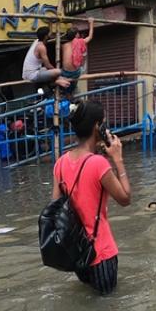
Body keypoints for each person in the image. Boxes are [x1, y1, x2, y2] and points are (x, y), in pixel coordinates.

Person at [50, 101, 132, 294]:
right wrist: (118, 160)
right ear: (97, 127)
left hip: (78, 255)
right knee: (108, 310)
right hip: (101, 253)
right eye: (103, 123)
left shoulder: (60, 163)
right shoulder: (98, 164)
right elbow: (125, 198)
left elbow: (55, 206)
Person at [61, 17, 95, 92]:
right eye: (78, 33)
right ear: (76, 35)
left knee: (66, 83)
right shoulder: (80, 42)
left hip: (65, 72)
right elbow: (90, 37)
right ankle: (71, 90)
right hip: (75, 72)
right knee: (81, 70)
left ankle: (67, 91)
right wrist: (91, 23)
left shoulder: (64, 45)